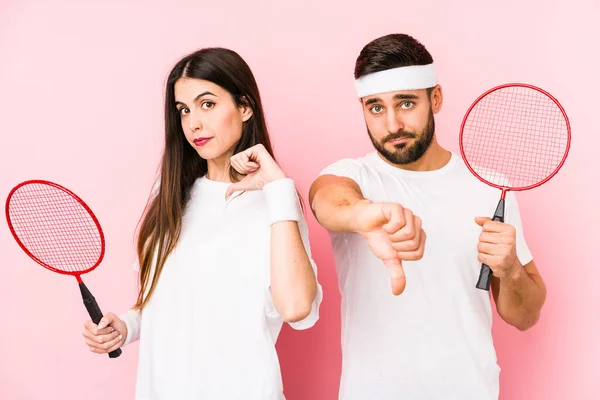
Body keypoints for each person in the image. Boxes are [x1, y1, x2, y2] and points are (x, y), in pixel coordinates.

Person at [309, 33, 546, 400]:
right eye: (375, 108)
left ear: (435, 98)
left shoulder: (490, 189)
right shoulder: (354, 177)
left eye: (405, 103)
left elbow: (525, 316)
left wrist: (511, 268)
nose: (391, 125)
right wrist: (365, 213)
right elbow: (326, 200)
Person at [81, 47, 322, 400]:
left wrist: (279, 188)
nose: (193, 123)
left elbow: (298, 309)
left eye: (207, 104)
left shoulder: (277, 205)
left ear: (244, 107)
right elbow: (167, 303)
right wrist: (127, 325)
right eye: (184, 110)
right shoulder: (168, 197)